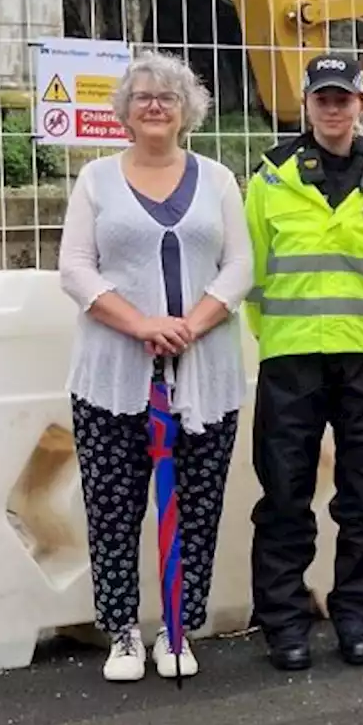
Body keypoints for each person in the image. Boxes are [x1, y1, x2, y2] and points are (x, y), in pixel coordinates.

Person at [57, 50, 254, 682]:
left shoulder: (218, 180)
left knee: (197, 505)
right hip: (112, 374)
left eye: (167, 97)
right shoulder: (96, 181)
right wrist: (142, 324)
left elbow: (240, 267)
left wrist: (190, 326)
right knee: (112, 509)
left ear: (186, 110)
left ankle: (177, 626)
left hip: (204, 372)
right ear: (124, 111)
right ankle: (121, 632)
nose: (154, 105)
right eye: (142, 96)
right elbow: (75, 268)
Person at [244, 52, 363, 671]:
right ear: (308, 104)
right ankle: (285, 622)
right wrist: (280, 335)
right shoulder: (270, 177)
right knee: (285, 495)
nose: (333, 107)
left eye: (344, 98)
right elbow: (255, 271)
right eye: (323, 97)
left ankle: (356, 618)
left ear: (361, 104)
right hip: (291, 356)